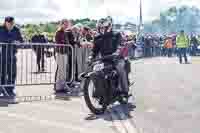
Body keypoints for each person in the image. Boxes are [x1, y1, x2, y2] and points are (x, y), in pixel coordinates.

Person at [88, 17, 129, 97]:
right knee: (95, 70)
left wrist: (117, 52)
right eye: (100, 28)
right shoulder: (97, 38)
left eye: (103, 27)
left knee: (120, 68)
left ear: (109, 26)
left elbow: (120, 45)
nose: (101, 29)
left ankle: (125, 91)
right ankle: (98, 91)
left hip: (116, 58)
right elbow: (94, 50)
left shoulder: (116, 34)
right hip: (104, 59)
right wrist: (91, 57)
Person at [0, 16, 23, 97]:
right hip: (2, 54)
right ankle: (1, 89)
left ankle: (10, 89)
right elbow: (2, 38)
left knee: (12, 72)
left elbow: (21, 40)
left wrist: (19, 42)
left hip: (12, 54)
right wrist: (13, 41)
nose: (11, 25)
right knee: (2, 73)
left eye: (13, 23)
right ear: (6, 22)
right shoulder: (1, 29)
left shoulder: (16, 29)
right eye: (10, 23)